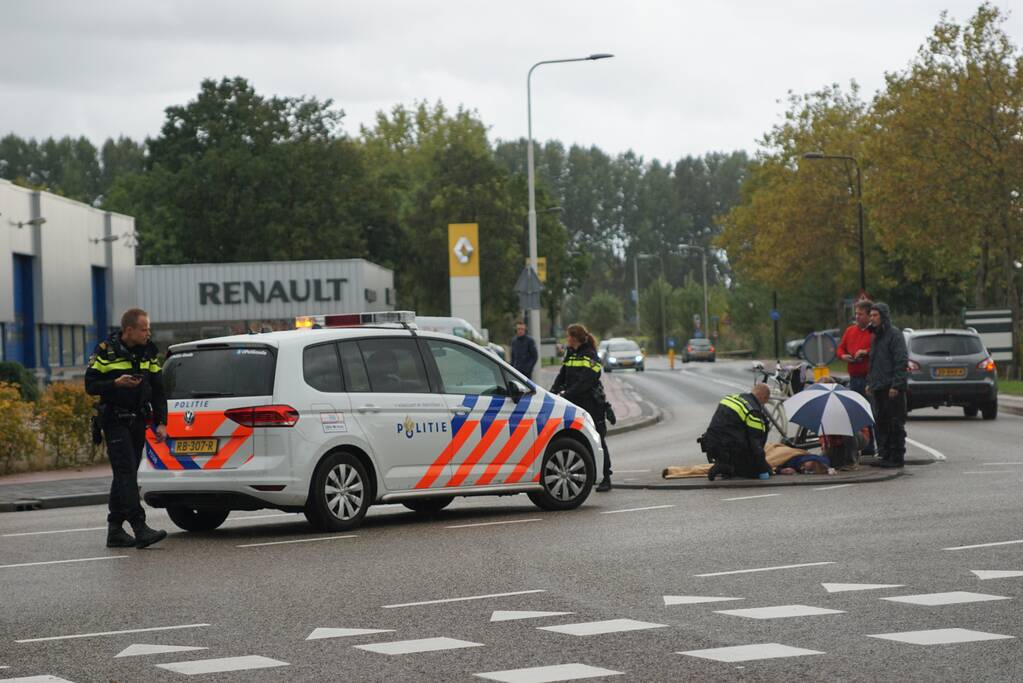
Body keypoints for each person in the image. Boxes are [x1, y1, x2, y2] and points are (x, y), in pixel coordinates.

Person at [85, 308, 169, 549]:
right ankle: (139, 527)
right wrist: (115, 384)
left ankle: (114, 530)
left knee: (124, 475)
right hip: (115, 421)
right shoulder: (105, 352)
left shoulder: (148, 352)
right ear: (129, 330)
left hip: (138, 421)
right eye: (144, 329)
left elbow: (158, 389)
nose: (148, 333)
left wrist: (161, 422)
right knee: (126, 473)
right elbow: (90, 385)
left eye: (149, 329)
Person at [551, 323, 612, 491]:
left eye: (568, 336)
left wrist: (566, 394)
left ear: (575, 338)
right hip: (575, 402)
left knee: (598, 439)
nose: (566, 339)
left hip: (591, 404)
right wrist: (552, 393)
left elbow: (586, 382)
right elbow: (561, 375)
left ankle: (606, 477)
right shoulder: (571, 354)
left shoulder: (590, 355)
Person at [865, 302, 909, 468]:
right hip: (878, 386)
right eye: (871, 315)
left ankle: (897, 456)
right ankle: (886, 454)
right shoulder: (876, 336)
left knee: (895, 422)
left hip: (891, 388)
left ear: (883, 317)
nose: (872, 318)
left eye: (875, 315)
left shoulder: (894, 335)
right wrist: (870, 381)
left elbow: (901, 361)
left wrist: (896, 385)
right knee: (882, 422)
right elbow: (873, 361)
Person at [700, 384, 772, 481]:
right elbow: (756, 444)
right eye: (765, 401)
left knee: (735, 437)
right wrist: (763, 468)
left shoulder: (731, 398)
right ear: (763, 397)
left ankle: (724, 463)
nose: (763, 405)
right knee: (752, 472)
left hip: (711, 444)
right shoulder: (752, 410)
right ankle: (727, 468)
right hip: (729, 449)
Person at [837, 299, 876, 455]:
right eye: (856, 314)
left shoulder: (873, 332)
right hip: (854, 377)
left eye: (860, 314)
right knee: (856, 412)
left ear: (868, 315)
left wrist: (865, 352)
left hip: (868, 377)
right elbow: (840, 348)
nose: (857, 317)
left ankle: (871, 447)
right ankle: (861, 445)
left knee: (870, 412)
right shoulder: (850, 331)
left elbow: (877, 349)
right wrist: (844, 356)